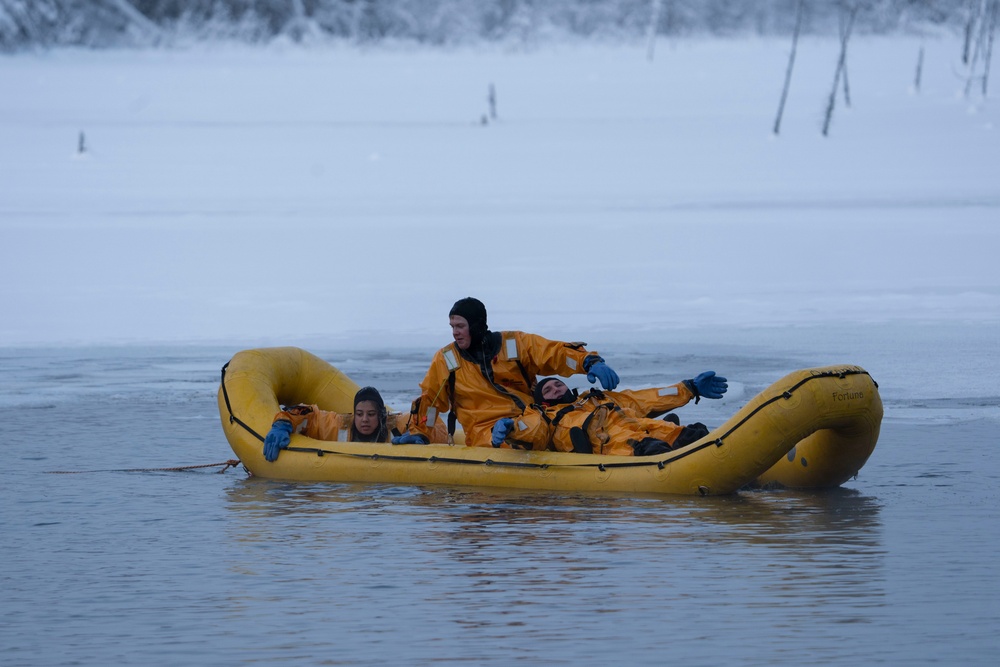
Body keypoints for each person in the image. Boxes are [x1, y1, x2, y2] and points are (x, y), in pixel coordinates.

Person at [391, 297, 621, 447]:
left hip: (532, 420)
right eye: (452, 327)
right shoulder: (447, 360)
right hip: (486, 434)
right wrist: (421, 431)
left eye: (460, 326)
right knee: (515, 441)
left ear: (477, 325)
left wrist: (588, 361)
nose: (455, 333)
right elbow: (431, 404)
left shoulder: (514, 344)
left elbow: (552, 353)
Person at [491, 371, 728, 456]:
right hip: (617, 444)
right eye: (549, 390)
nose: (556, 389)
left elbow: (644, 398)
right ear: (543, 400)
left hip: (642, 427)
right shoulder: (547, 417)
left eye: (558, 385)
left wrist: (688, 388)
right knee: (652, 447)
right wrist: (512, 428)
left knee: (692, 433)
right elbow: (532, 430)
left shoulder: (596, 397)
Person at [263, 386, 447, 462]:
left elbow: (433, 422)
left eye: (371, 414)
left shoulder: (397, 425)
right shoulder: (339, 425)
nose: (364, 419)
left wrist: (421, 436)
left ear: (381, 415)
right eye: (359, 414)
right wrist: (283, 424)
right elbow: (307, 413)